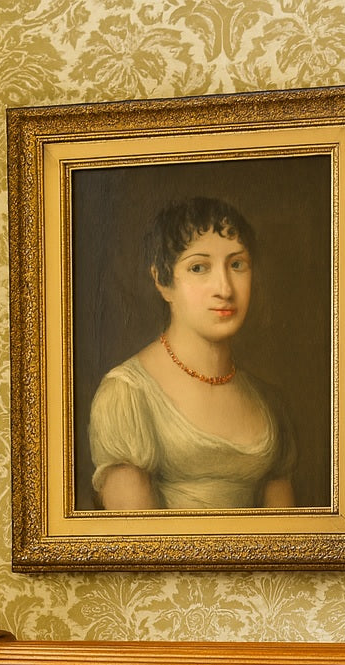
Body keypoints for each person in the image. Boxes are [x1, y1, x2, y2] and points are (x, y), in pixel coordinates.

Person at [88, 197, 296, 511]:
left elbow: (291, 542)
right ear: (162, 280)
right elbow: (139, 550)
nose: (225, 289)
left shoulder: (269, 403)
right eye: (199, 267)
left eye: (237, 264)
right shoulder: (128, 395)